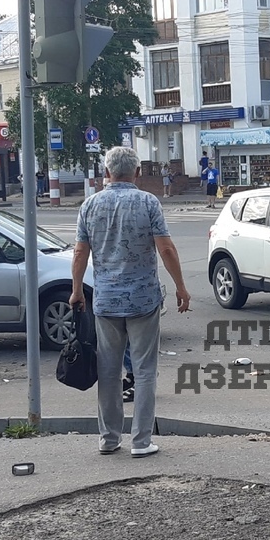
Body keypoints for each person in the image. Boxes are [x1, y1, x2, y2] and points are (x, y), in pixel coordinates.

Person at [70, 146, 191, 458]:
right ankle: (141, 441)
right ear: (137, 173)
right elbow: (165, 248)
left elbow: (80, 252)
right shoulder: (147, 202)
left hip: (106, 301)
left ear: (106, 173)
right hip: (143, 301)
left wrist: (77, 291)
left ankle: (108, 439)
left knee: (107, 370)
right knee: (145, 369)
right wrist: (180, 286)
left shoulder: (90, 205)